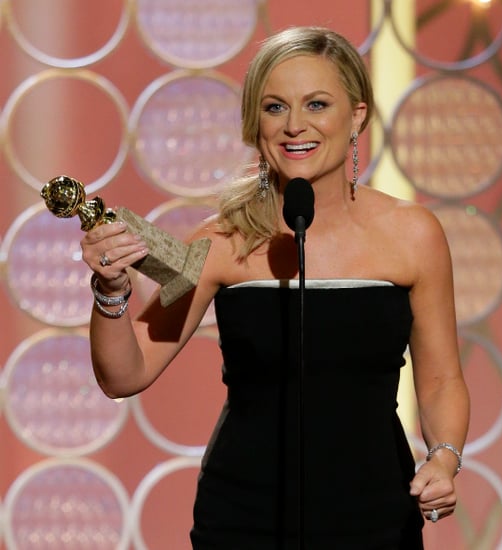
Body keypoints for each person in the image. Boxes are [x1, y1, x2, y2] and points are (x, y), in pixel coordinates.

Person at [81, 26, 470, 549]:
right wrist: (109, 291)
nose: (294, 126)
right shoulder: (220, 241)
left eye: (316, 104)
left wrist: (443, 459)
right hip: (242, 519)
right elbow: (125, 374)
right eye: (274, 108)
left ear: (356, 115)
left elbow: (442, 378)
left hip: (376, 516)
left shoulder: (413, 235)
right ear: (254, 123)